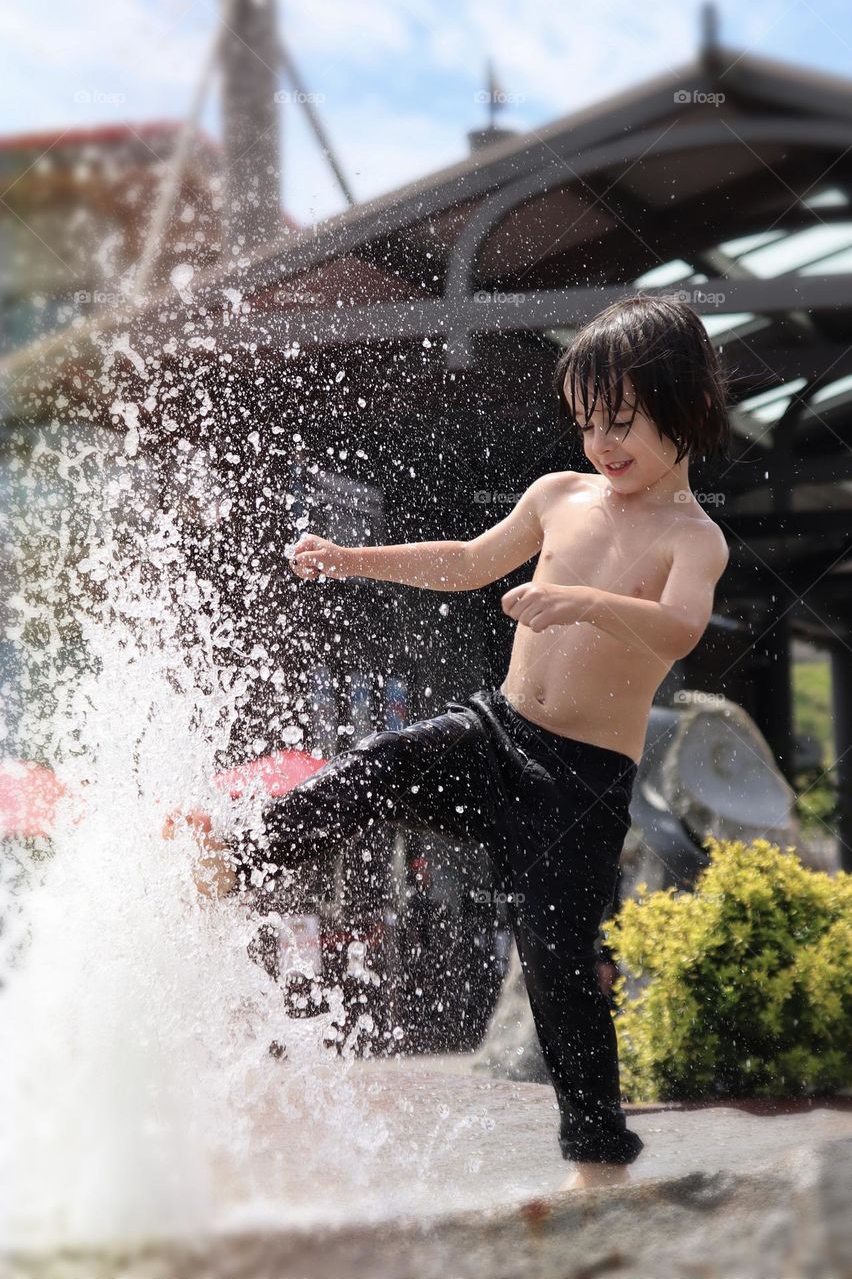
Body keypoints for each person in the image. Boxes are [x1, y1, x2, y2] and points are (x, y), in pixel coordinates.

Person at [163, 292, 731, 1191]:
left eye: (622, 421)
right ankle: (242, 857)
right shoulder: (560, 495)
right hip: (496, 730)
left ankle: (599, 1169)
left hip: (579, 784)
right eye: (588, 423)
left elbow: (677, 632)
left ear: (686, 405)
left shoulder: (693, 538)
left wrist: (577, 602)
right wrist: (355, 559)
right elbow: (469, 561)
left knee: (555, 962)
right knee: (382, 763)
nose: (602, 444)